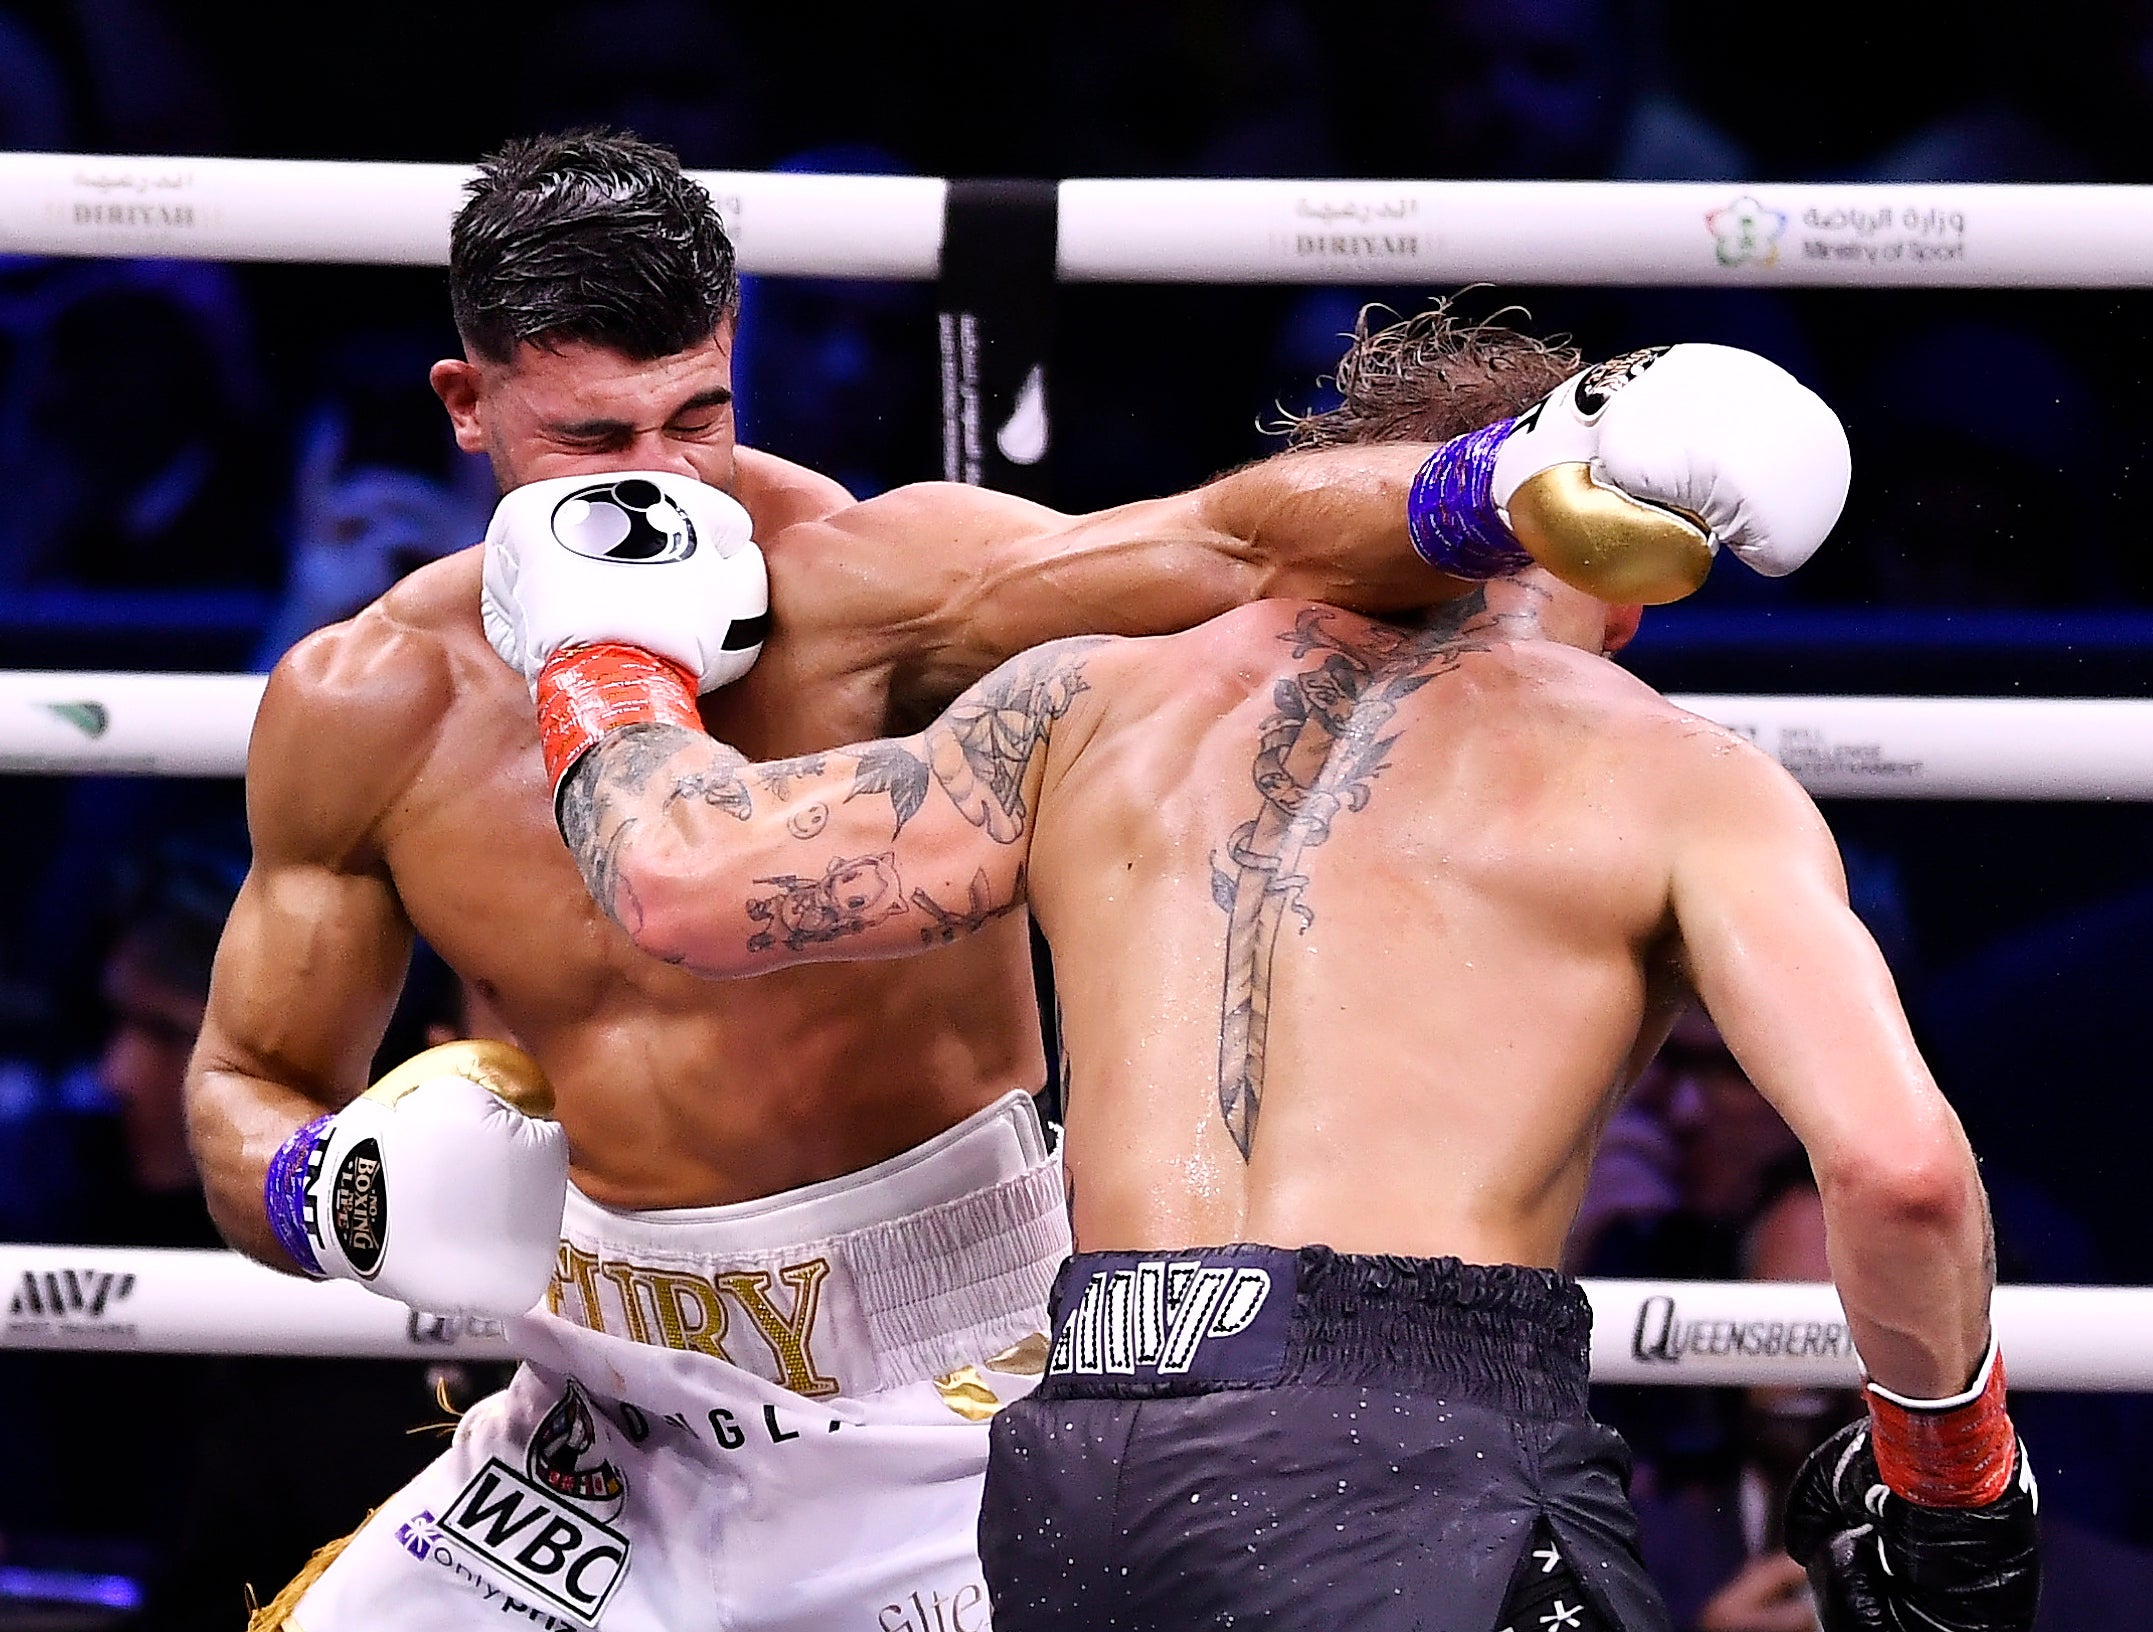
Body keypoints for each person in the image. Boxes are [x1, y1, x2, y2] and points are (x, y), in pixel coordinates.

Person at [188, 128, 1825, 1632]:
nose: (659, 485)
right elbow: (245, 1081)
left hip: (952, 1387)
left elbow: (1243, 541)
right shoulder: (367, 705)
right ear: (465, 407)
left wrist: (1512, 477)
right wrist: (318, 1193)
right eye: (590, 438)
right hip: (596, 1422)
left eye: (698, 419)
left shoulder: (877, 590)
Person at [508, 320, 2036, 1631]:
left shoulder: (1079, 707)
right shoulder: (1667, 773)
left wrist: (600, 659)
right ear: (1625, 587)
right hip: (1411, 1448)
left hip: (1081, 1458)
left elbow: (678, 876)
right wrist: (1952, 1491)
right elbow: (1901, 1176)